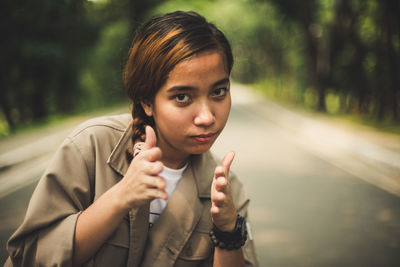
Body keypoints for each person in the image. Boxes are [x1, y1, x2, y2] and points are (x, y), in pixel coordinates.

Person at [5, 11, 259, 267]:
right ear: (147, 100)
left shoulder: (226, 191)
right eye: (182, 97)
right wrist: (121, 196)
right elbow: (28, 257)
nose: (206, 117)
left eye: (218, 91)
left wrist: (228, 232)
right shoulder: (91, 148)